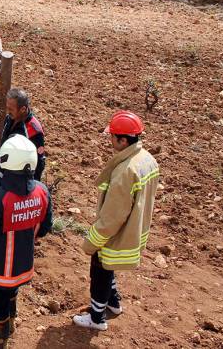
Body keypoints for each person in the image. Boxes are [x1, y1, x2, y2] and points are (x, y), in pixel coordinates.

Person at [73, 110, 160, 331]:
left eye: (112, 137)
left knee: (100, 270)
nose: (110, 140)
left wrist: (91, 242)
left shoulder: (125, 171)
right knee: (109, 267)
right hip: (134, 231)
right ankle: (113, 304)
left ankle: (96, 318)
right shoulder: (146, 159)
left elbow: (113, 217)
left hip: (117, 233)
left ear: (123, 140)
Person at [0, 134, 53, 348]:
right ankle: (10, 324)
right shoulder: (42, 192)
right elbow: (45, 228)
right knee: (11, 292)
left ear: (5, 161)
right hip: (24, 266)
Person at [0, 88, 46, 181]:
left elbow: (38, 163)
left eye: (11, 109)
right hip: (2, 177)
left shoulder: (34, 130)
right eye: (7, 108)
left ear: (23, 109)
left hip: (17, 184)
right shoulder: (9, 118)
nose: (8, 111)